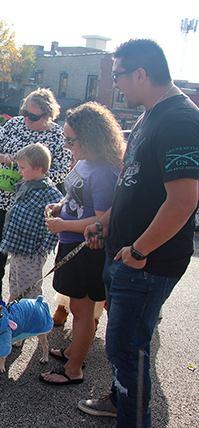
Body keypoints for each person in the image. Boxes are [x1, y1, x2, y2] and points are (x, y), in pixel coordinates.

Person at [77, 39, 199, 427]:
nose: (117, 86)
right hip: (125, 255)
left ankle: (133, 417)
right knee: (123, 347)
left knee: (128, 349)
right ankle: (120, 398)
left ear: (141, 75)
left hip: (146, 263)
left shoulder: (179, 120)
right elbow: (135, 184)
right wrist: (107, 221)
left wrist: (138, 251)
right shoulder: (150, 115)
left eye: (119, 77)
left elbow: (183, 201)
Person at [39, 102, 124, 386]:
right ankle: (73, 352)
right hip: (72, 243)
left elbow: (101, 221)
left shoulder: (104, 173)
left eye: (70, 140)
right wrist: (59, 205)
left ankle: (74, 368)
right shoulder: (85, 161)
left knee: (83, 311)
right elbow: (73, 196)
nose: (66, 145)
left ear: (90, 138)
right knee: (77, 308)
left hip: (86, 250)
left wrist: (63, 224)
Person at [0, 89, 71, 305]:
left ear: (48, 115)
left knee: (24, 255)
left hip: (31, 205)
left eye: (34, 116)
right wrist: (6, 158)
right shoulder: (14, 124)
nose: (27, 118)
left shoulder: (57, 135)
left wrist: (33, 177)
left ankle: (23, 301)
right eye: (25, 112)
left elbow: (62, 169)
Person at [0, 143, 62, 302]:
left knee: (28, 292)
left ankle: (29, 323)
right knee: (15, 285)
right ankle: (13, 316)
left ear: (39, 168)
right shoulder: (26, 184)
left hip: (32, 252)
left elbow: (59, 222)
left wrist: (44, 247)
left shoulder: (50, 193)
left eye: (22, 167)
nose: (19, 171)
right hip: (18, 247)